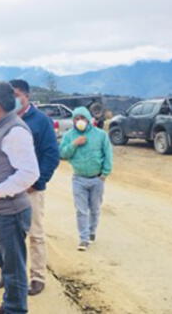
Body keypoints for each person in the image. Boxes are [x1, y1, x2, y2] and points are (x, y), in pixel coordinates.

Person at [0, 82, 40, 314]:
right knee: (7, 265)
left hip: (9, 212)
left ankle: (16, 309)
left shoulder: (15, 131)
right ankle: (10, 304)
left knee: (13, 269)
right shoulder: (0, 126)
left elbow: (30, 173)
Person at [2, 79, 60, 296]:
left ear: (26, 95)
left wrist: (37, 182)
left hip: (31, 190)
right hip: (9, 188)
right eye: (10, 95)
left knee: (35, 233)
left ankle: (37, 276)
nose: (14, 99)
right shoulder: (5, 120)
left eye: (17, 95)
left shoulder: (41, 121)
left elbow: (51, 155)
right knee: (9, 234)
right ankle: (9, 274)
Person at [59, 106, 113, 251]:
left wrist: (104, 174)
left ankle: (92, 231)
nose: (80, 121)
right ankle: (83, 238)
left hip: (97, 179)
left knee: (95, 209)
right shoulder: (69, 136)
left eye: (82, 118)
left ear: (88, 119)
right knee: (81, 210)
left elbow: (108, 154)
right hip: (79, 179)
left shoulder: (100, 135)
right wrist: (74, 144)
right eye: (76, 119)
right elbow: (63, 154)